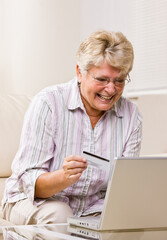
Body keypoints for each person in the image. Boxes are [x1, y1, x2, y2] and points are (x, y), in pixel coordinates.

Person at [2, 30, 142, 225]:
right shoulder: (48, 103)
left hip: (92, 207)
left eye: (119, 80)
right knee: (60, 215)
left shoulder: (131, 116)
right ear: (79, 72)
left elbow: (123, 186)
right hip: (32, 200)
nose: (111, 89)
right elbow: (29, 183)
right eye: (101, 79)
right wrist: (63, 177)